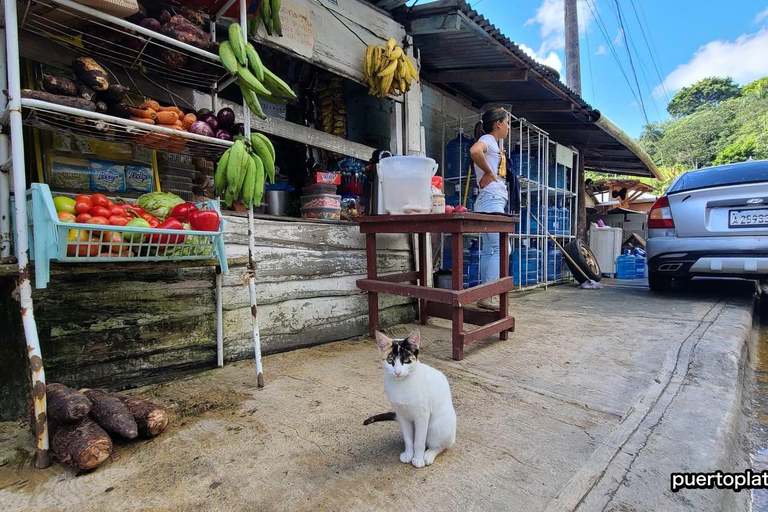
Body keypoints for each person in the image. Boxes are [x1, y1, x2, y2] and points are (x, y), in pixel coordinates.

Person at [469, 108, 511, 310]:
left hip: (488, 200)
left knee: (490, 249)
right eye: (508, 122)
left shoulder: (493, 144)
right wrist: (488, 172)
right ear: (499, 124)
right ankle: (487, 295)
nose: (509, 127)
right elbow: (474, 151)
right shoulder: (487, 139)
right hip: (491, 200)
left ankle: (485, 294)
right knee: (503, 248)